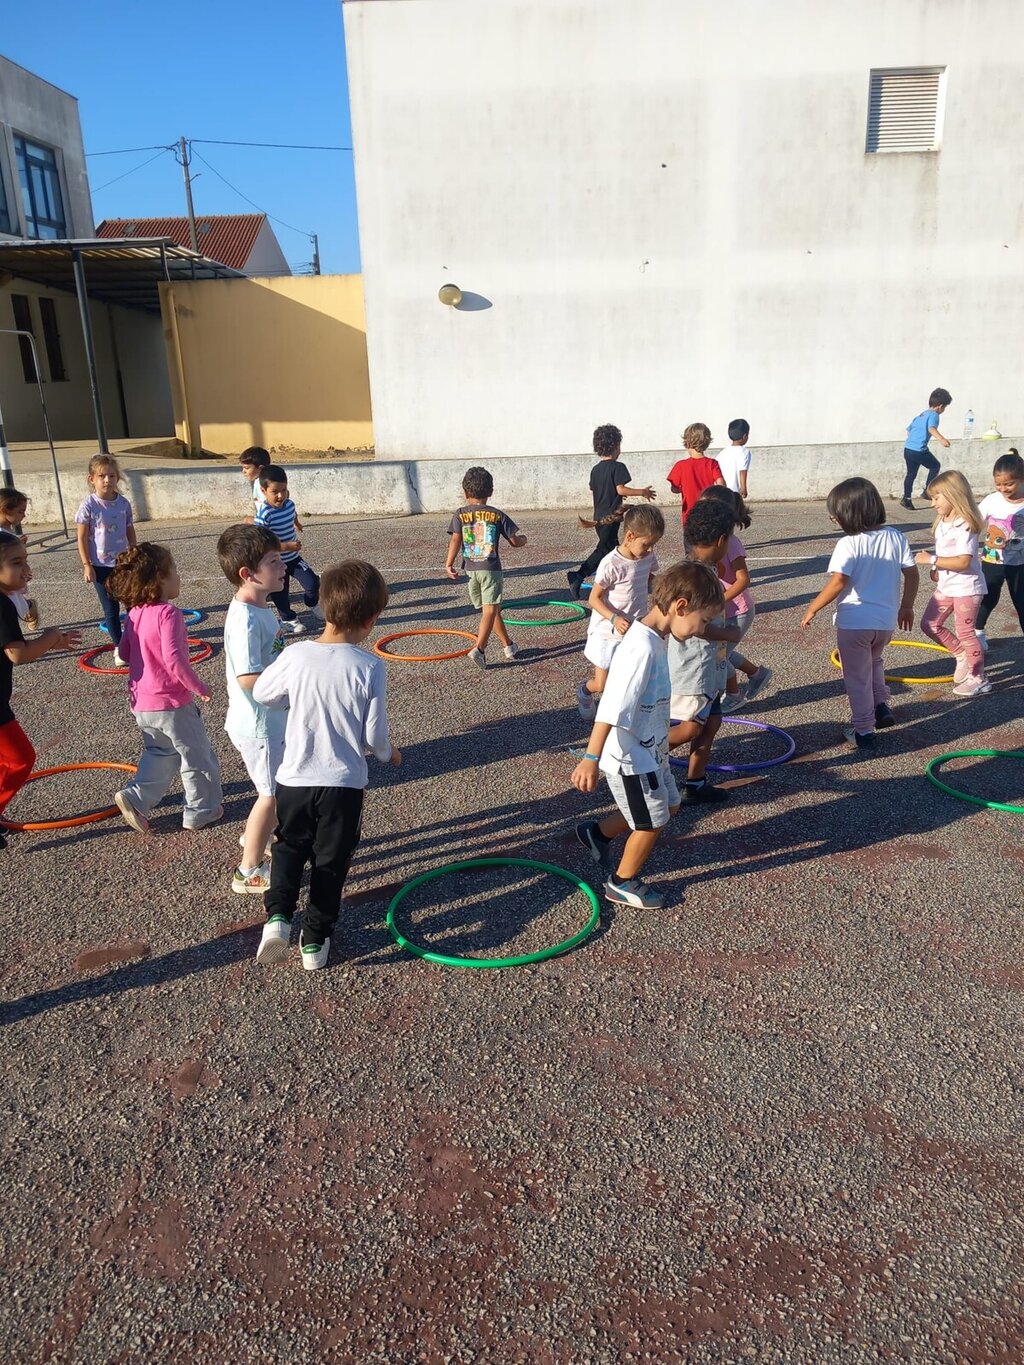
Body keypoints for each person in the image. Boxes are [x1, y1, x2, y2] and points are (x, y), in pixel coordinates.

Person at [251, 560, 402, 970]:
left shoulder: (297, 654)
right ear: (371, 619)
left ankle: (278, 917)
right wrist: (389, 754)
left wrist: (292, 696)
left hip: (294, 779)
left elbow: (263, 693)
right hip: (342, 785)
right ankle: (315, 942)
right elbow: (375, 735)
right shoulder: (370, 666)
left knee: (288, 846)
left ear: (322, 606)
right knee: (330, 863)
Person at [572, 561, 725, 909]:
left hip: (651, 750)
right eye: (703, 620)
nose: (704, 629)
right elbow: (611, 707)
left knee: (669, 805)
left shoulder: (655, 639)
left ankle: (597, 833)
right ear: (680, 606)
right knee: (652, 822)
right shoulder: (640, 648)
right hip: (630, 758)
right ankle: (621, 883)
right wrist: (590, 758)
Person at [108, 543, 223, 834]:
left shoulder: (134, 613)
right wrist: (198, 686)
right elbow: (174, 660)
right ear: (160, 577)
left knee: (161, 753)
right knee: (196, 756)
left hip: (142, 704)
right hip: (172, 703)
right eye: (174, 570)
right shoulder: (168, 613)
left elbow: (123, 652)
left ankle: (136, 797)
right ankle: (201, 810)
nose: (178, 577)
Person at [801, 477, 918, 749]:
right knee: (874, 662)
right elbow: (912, 574)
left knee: (857, 678)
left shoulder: (848, 543)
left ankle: (863, 730)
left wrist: (813, 607)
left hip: (855, 624)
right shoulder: (896, 536)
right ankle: (881, 705)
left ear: (849, 515)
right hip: (884, 622)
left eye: (835, 515)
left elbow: (838, 582)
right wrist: (907, 606)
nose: (834, 519)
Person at [216, 523, 289, 893]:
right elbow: (248, 677)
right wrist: (287, 692)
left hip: (269, 721)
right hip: (259, 725)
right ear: (247, 574)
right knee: (270, 794)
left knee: (275, 790)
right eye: (273, 562)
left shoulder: (259, 606)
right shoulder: (245, 618)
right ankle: (248, 871)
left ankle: (257, 837)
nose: (283, 566)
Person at [0, 531, 80, 846]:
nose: (25, 569)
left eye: (26, 560)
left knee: (9, 759)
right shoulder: (1, 605)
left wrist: (50, 643)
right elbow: (17, 654)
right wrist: (50, 636)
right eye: (16, 562)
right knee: (20, 759)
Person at [667, 499, 742, 802]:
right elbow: (690, 626)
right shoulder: (696, 578)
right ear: (722, 540)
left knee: (711, 722)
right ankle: (640, 756)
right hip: (694, 667)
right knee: (690, 727)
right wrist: (726, 633)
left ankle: (695, 783)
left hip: (711, 666)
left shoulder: (705, 570)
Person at [578, 504, 664, 719]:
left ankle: (620, 716)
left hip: (633, 629)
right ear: (630, 536)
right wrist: (614, 618)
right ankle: (585, 691)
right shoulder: (611, 563)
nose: (650, 549)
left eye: (653, 545)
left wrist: (664, 590)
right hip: (607, 632)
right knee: (602, 684)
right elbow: (594, 598)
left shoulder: (647, 557)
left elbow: (649, 578)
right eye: (646, 544)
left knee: (631, 677)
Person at [697, 486, 772, 713]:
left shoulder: (731, 543)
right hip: (722, 611)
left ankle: (734, 695)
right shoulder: (708, 541)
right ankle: (757, 674)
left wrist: (720, 600)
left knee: (718, 656)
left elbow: (743, 579)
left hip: (738, 611)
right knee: (721, 650)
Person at [915, 471, 990, 698]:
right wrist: (938, 569)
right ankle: (961, 654)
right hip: (947, 586)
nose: (933, 503)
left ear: (953, 495)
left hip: (967, 588)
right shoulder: (942, 522)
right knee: (929, 624)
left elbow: (964, 561)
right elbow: (947, 555)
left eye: (937, 497)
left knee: (966, 633)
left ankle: (979, 678)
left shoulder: (965, 525)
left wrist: (932, 560)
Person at [445, 466, 528, 668]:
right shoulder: (497, 514)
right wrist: (523, 540)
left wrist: (448, 563)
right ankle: (480, 649)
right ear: (491, 491)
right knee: (490, 610)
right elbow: (514, 541)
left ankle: (508, 645)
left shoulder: (460, 514)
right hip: (490, 569)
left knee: (492, 608)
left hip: (470, 569)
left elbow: (455, 539)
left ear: (465, 492)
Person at [567, 425, 655, 599]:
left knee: (610, 550)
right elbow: (620, 489)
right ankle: (578, 575)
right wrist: (642, 492)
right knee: (605, 550)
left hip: (599, 517)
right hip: (610, 517)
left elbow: (595, 489)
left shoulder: (595, 469)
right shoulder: (618, 467)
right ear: (615, 446)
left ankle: (620, 579)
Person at [75, 454, 136, 665]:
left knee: (132, 605)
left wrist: (134, 552)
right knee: (111, 609)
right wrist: (87, 565)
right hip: (100, 566)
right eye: (102, 476)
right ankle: (119, 647)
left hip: (123, 563)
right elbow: (82, 538)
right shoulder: (88, 506)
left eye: (111, 475)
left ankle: (135, 640)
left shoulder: (123, 503)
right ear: (92, 479)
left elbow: (129, 529)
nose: (107, 480)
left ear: (117, 478)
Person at [254, 464, 321, 634]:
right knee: (281, 592)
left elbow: (293, 513)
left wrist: (297, 523)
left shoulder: (289, 504)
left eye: (283, 490)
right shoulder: (265, 514)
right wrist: (285, 546)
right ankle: (288, 619)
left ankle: (313, 603)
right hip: (275, 562)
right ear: (263, 490)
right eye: (275, 491)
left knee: (312, 582)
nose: (280, 495)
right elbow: (260, 541)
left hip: (294, 558)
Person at [975, 448, 1024, 650]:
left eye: (1009, 484)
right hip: (992, 560)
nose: (1003, 488)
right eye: (998, 484)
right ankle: (978, 632)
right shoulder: (992, 500)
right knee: (988, 597)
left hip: (1020, 563)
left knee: (1021, 601)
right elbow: (975, 522)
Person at [901, 387, 951, 510]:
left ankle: (906, 499)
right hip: (919, 450)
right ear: (940, 406)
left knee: (911, 474)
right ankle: (928, 491)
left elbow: (909, 430)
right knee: (935, 466)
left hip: (908, 449)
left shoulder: (921, 415)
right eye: (944, 407)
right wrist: (942, 439)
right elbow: (931, 428)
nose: (943, 410)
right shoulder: (934, 415)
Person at [666, 423, 725, 524]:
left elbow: (674, 489)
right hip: (709, 510)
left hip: (690, 513)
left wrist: (682, 488)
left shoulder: (681, 465)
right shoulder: (712, 463)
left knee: (691, 533)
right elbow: (721, 484)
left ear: (687, 442)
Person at [0, 489, 37, 630]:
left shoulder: (9, 533)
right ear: (4, 510)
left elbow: (16, 558)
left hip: (10, 583)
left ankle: (28, 607)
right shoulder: (3, 535)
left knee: (14, 609)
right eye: (20, 512)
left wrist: (20, 546)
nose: (24, 516)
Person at [716, 419, 752, 497]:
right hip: (735, 492)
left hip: (721, 492)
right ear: (745, 436)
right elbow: (742, 470)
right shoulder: (744, 451)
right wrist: (743, 488)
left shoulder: (722, 453)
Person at [240, 446, 271, 521]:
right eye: (243, 468)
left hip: (267, 520)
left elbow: (267, 506)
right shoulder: (271, 479)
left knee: (247, 520)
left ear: (260, 468)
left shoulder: (260, 484)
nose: (243, 471)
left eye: (246, 468)